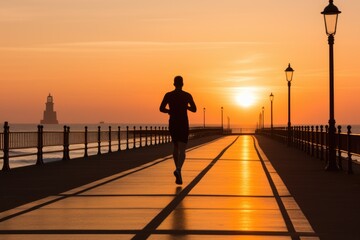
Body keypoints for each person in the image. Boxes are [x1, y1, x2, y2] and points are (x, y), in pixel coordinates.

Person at [159, 76, 197, 184]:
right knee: (183, 149)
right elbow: (194, 109)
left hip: (173, 122)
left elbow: (161, 108)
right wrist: (186, 107)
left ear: (174, 84)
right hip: (183, 123)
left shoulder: (169, 95)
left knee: (175, 146)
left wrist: (169, 111)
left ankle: (178, 170)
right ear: (183, 84)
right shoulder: (187, 95)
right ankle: (178, 169)